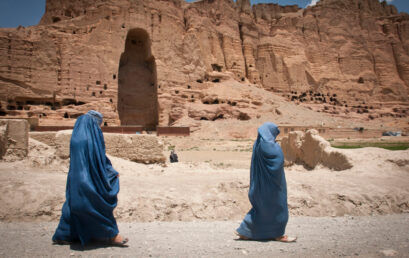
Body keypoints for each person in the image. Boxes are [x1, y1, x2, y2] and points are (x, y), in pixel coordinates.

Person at [52, 110, 128, 246]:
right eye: (98, 124)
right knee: (95, 203)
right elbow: (98, 159)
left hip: (75, 177)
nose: (99, 127)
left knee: (73, 204)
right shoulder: (90, 138)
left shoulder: (76, 136)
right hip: (89, 178)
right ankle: (111, 235)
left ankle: (65, 234)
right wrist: (111, 172)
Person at [236, 122, 296, 242]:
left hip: (259, 185)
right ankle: (278, 234)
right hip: (273, 185)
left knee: (261, 210)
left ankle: (246, 232)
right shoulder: (269, 145)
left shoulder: (257, 143)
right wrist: (278, 147)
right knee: (279, 209)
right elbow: (278, 160)